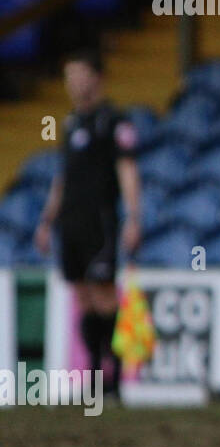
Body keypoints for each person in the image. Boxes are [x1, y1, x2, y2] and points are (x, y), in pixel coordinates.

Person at [34, 49, 141, 399]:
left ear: (96, 77)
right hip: (71, 223)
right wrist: (47, 222)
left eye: (78, 74)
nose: (72, 83)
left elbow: (127, 170)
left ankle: (116, 378)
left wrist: (133, 217)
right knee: (82, 296)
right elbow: (63, 178)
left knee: (104, 295)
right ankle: (95, 375)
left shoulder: (113, 121)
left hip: (100, 222)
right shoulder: (69, 123)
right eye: (68, 77)